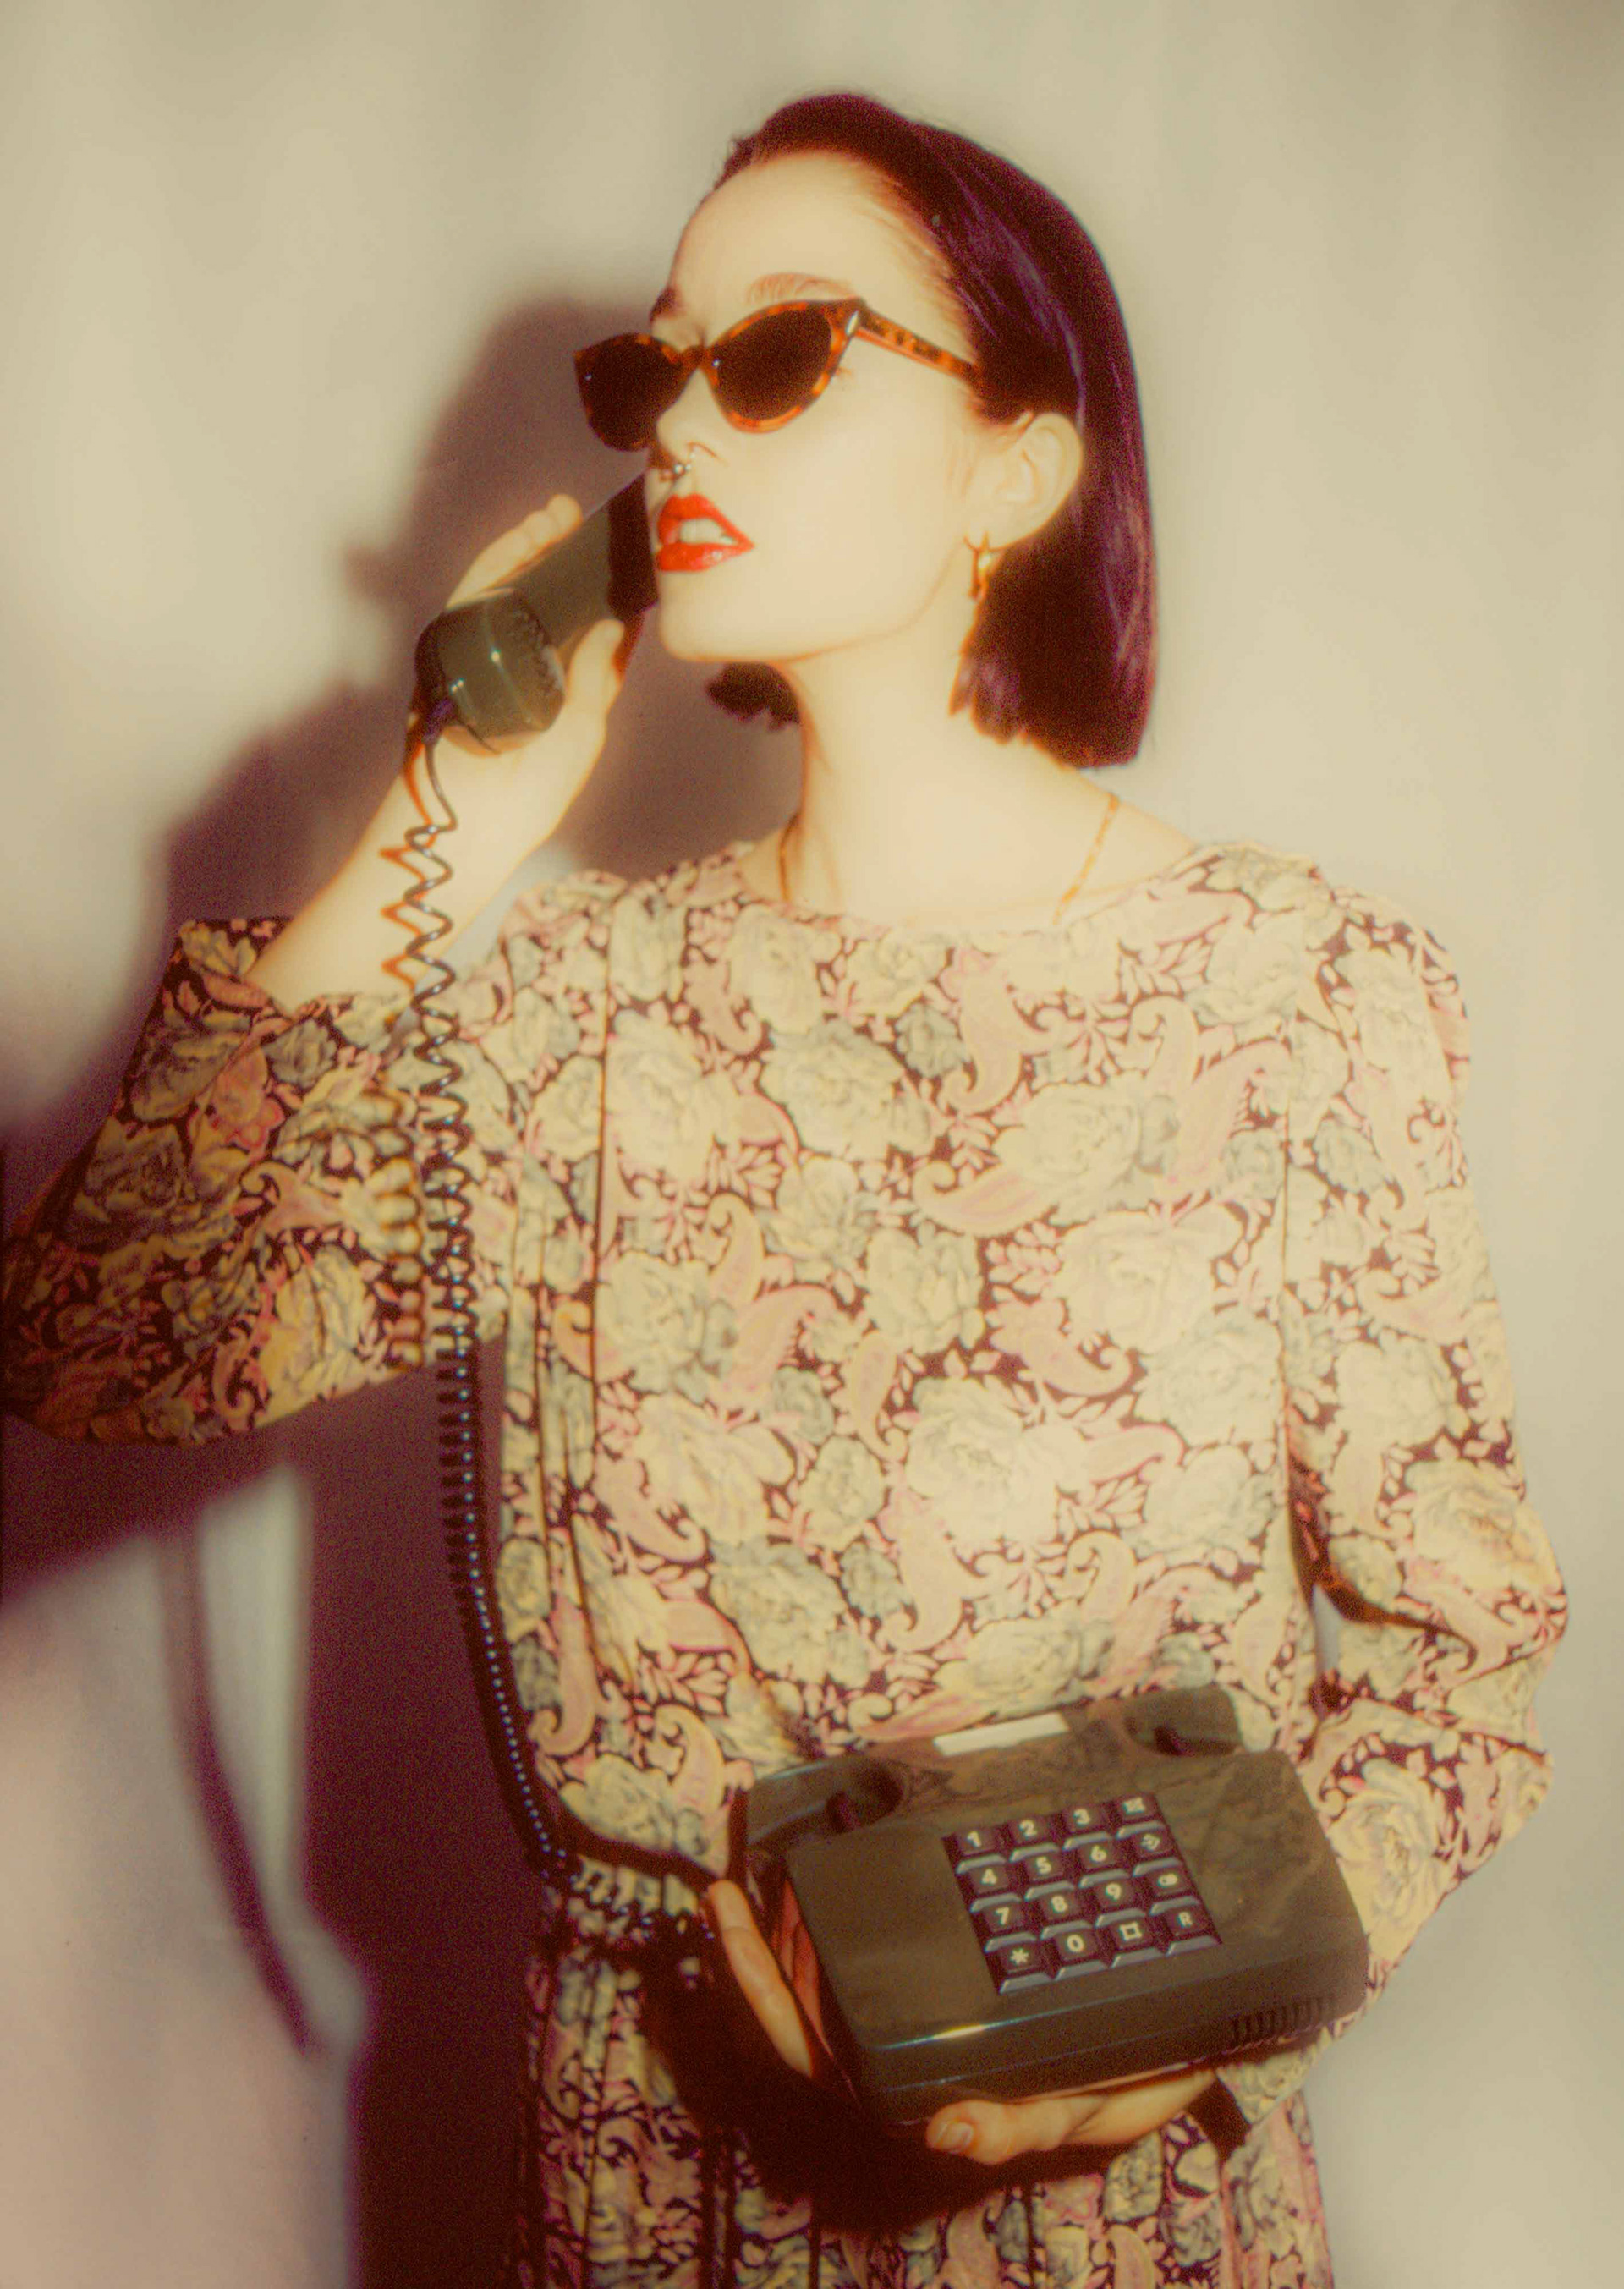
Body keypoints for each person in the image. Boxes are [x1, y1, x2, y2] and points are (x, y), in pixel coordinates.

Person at [1, 89, 1565, 2289]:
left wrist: (1178, 2038)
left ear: (1019, 469)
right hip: (649, 2176)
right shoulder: (582, 1006)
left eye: (780, 353)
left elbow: (1458, 1667)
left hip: (1102, 2194)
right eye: (654, 370)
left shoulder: (1298, 997)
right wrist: (441, 820)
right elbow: (101, 1342)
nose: (679, 428)